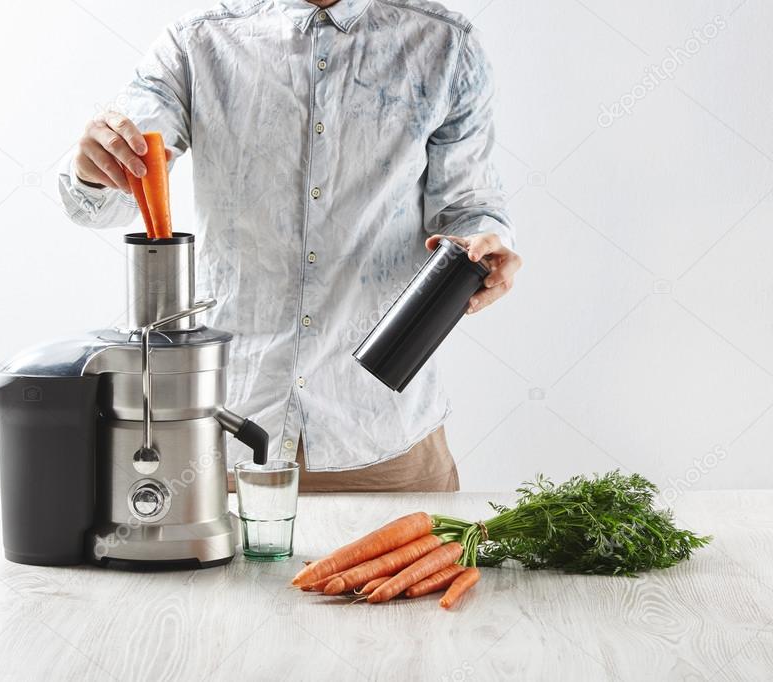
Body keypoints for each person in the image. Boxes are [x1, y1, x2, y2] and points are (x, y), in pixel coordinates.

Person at [58, 0, 520, 492]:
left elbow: (469, 206)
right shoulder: (197, 44)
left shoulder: (446, 44)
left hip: (384, 437)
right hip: (226, 436)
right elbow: (112, 196)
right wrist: (93, 168)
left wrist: (485, 245)